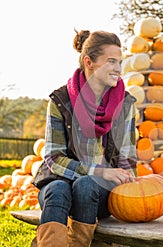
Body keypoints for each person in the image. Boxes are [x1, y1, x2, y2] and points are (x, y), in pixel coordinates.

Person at [33, 29, 137, 246]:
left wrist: (127, 181)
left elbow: (127, 158)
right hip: (60, 184)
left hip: (100, 191)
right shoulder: (61, 101)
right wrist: (97, 170)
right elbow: (53, 158)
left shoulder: (125, 105)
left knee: (86, 185)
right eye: (111, 62)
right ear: (89, 62)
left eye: (120, 62)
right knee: (57, 189)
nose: (118, 69)